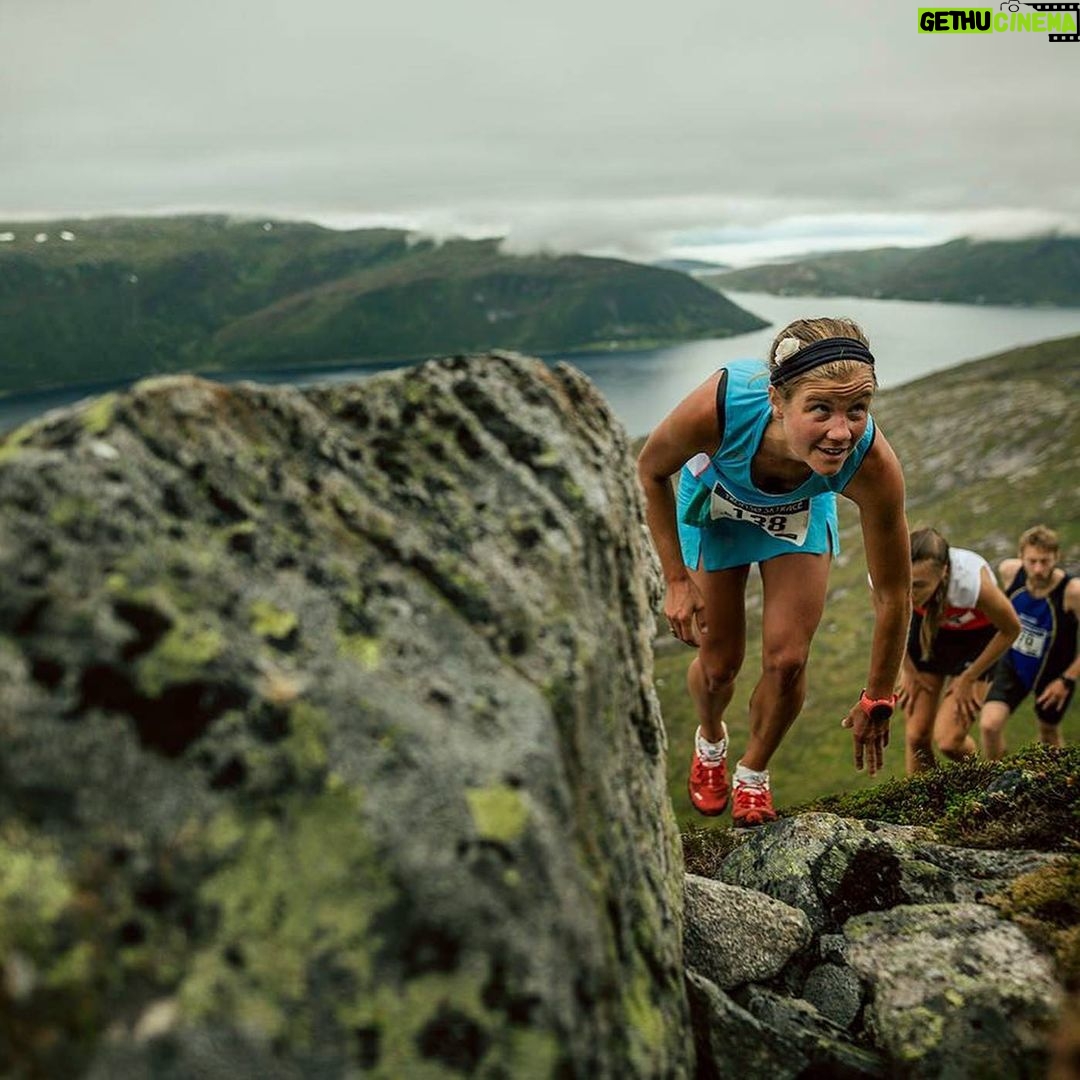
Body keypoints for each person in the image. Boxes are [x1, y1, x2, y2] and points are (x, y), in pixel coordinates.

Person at [636, 317, 910, 827]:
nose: (841, 432)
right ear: (777, 401)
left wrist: (878, 695)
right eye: (820, 408)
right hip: (716, 510)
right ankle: (711, 738)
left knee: (788, 661)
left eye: (858, 408)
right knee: (719, 664)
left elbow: (894, 594)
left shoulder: (870, 463)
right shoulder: (720, 408)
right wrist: (674, 579)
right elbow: (650, 471)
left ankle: (754, 770)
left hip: (797, 517)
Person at [897, 527, 1020, 773]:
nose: (910, 594)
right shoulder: (887, 570)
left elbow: (1011, 629)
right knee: (916, 737)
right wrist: (907, 668)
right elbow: (890, 622)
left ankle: (985, 779)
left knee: (949, 741)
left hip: (977, 640)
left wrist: (969, 677)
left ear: (943, 572)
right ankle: (926, 796)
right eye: (906, 584)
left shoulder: (972, 583)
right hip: (930, 633)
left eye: (919, 585)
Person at [980, 525, 1079, 758]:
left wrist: (1067, 679)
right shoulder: (1010, 572)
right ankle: (998, 777)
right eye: (1032, 561)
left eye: (1045, 562)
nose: (1038, 569)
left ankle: (1059, 779)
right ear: (1021, 557)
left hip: (1054, 673)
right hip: (1015, 662)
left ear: (1056, 557)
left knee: (1048, 733)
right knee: (989, 725)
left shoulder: (1072, 591)